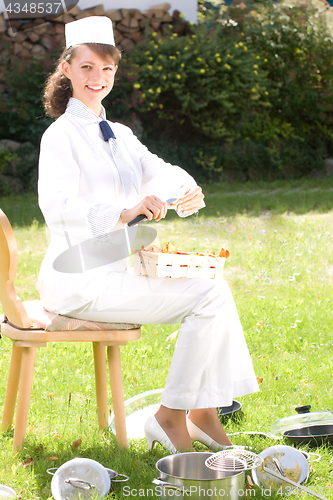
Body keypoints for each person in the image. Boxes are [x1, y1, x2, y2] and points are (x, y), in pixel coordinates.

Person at [38, 16, 259, 453]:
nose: (97, 79)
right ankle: (173, 417)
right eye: (86, 68)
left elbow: (159, 170)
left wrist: (183, 188)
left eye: (106, 70)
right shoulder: (60, 136)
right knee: (208, 297)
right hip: (80, 280)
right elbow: (56, 208)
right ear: (66, 69)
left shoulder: (118, 134)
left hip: (119, 269)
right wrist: (124, 212)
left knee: (213, 287)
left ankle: (203, 412)